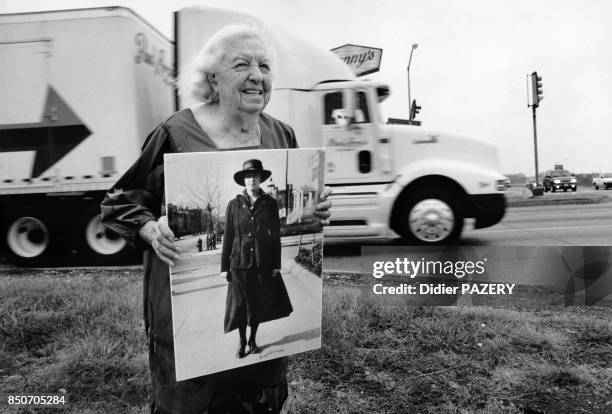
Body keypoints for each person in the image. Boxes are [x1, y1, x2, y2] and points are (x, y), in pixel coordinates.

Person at [100, 24, 331, 414]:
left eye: (265, 66)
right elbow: (121, 200)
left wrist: (318, 211)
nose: (257, 75)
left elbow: (281, 223)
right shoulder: (175, 134)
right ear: (213, 79)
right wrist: (149, 227)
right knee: (195, 396)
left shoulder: (282, 135)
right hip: (190, 309)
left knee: (259, 386)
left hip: (263, 272)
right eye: (242, 64)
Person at [221, 159, 293, 359]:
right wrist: (224, 267)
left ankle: (253, 338)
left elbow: (275, 236)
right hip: (239, 264)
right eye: (247, 176)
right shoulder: (233, 205)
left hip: (262, 263)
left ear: (260, 179)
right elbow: (228, 237)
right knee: (240, 305)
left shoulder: (270, 204)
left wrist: (276, 264)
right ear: (243, 181)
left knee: (257, 304)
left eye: (254, 176)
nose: (251, 180)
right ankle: (242, 340)